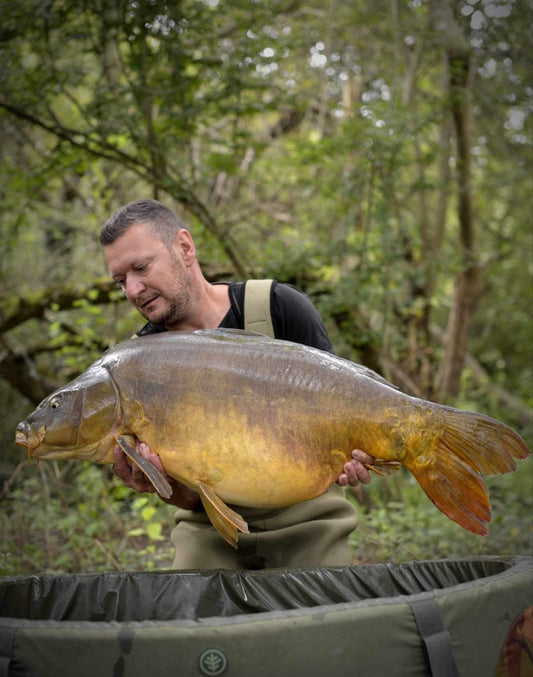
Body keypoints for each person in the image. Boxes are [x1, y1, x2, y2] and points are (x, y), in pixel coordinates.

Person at [100, 198, 375, 569]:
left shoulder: (279, 307)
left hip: (308, 517)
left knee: (328, 620)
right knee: (193, 621)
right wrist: (153, 480)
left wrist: (359, 452)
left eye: (142, 267)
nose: (133, 290)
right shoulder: (136, 366)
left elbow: (347, 404)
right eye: (121, 281)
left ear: (184, 247)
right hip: (209, 528)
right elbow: (186, 496)